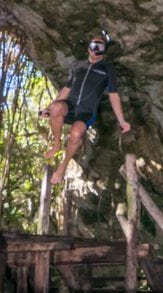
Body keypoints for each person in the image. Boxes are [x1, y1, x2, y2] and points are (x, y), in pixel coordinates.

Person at [41, 36, 130, 185]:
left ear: (104, 51)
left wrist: (121, 120)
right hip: (69, 106)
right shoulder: (78, 65)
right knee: (56, 107)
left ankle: (62, 166)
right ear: (88, 48)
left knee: (76, 134)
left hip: (87, 111)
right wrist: (48, 109)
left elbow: (113, 95)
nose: (96, 50)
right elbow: (66, 89)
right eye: (94, 45)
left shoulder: (107, 68)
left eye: (100, 47)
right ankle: (56, 144)